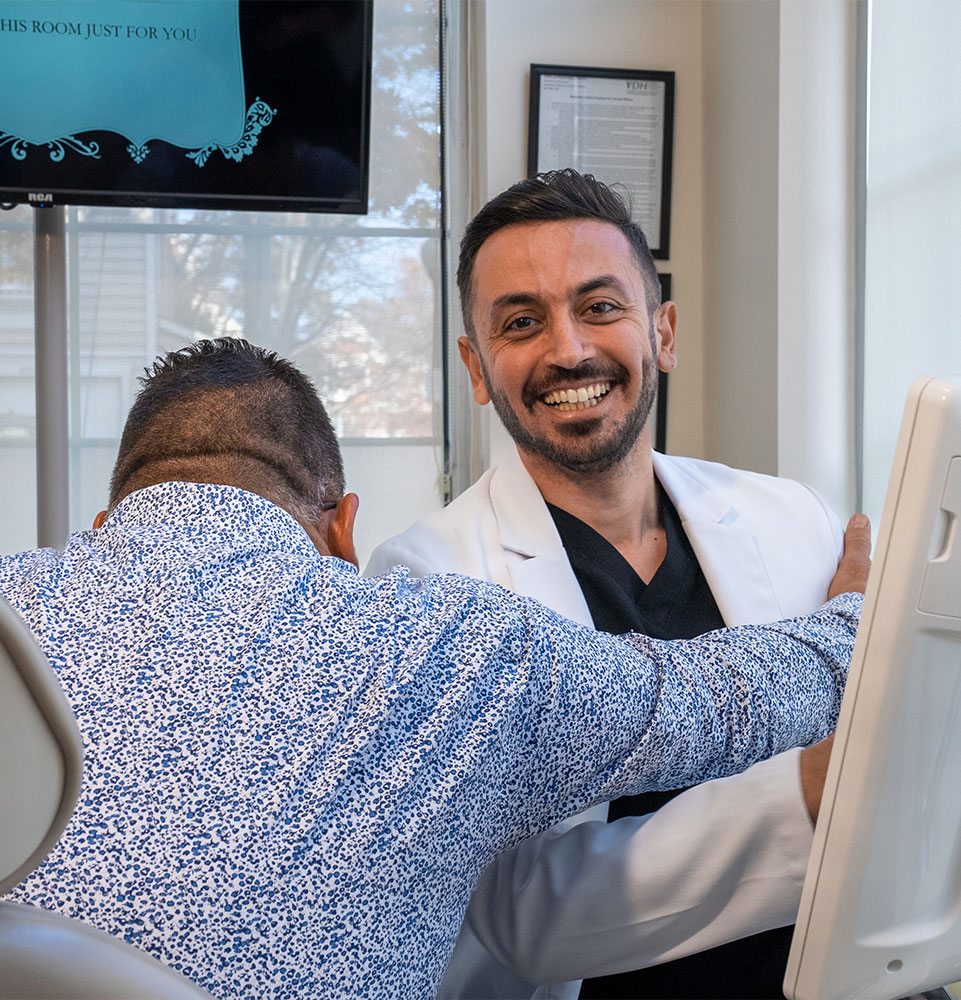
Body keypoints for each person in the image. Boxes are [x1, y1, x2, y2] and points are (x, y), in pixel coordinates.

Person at [0, 338, 864, 1000]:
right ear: (343, 529)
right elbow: (725, 702)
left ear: (108, 520)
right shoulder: (451, 650)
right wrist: (865, 612)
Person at [365, 169, 861, 999]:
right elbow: (514, 913)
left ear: (661, 333)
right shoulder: (423, 584)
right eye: (521, 322)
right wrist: (805, 795)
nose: (568, 350)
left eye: (600, 307)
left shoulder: (793, 519)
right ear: (476, 366)